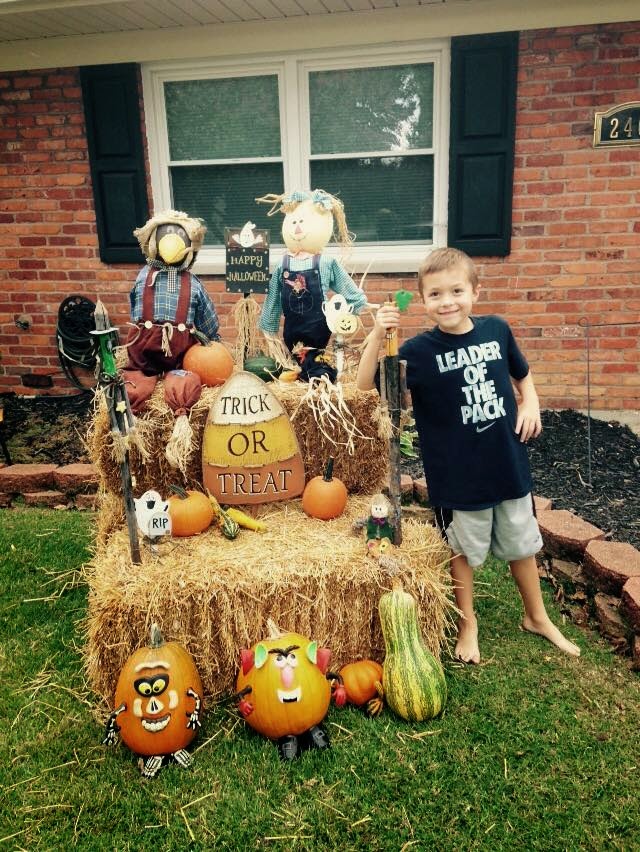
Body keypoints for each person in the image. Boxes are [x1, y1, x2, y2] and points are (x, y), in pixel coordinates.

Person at [357, 247, 580, 663]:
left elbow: (522, 373)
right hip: (456, 474)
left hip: (506, 463)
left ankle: (537, 616)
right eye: (435, 294)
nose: (447, 302)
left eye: (456, 291)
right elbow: (364, 384)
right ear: (423, 300)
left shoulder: (497, 330)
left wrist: (530, 403)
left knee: (522, 543)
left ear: (475, 291)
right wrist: (375, 335)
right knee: (462, 550)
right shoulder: (418, 352)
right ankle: (468, 623)